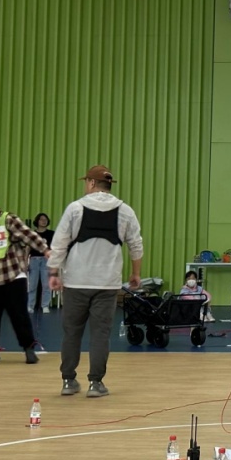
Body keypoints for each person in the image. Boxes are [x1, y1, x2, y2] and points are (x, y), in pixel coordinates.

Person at [48, 165, 144, 397]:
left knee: (72, 333)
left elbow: (59, 243)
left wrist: (53, 273)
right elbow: (136, 244)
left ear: (91, 183)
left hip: (75, 282)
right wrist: (136, 273)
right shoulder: (125, 211)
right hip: (107, 284)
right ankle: (96, 384)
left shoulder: (75, 208)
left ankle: (68, 381)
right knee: (101, 334)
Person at [0, 206, 48, 363]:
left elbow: (29, 235)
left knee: (19, 315)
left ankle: (28, 348)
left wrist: (45, 250)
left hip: (13, 275)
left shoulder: (8, 220)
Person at [27, 212, 54, 313]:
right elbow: (28, 248)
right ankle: (30, 305)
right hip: (34, 259)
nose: (44, 221)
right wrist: (25, 261)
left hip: (46, 260)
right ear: (37, 221)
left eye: (45, 219)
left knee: (46, 284)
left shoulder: (51, 233)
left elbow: (54, 248)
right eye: (41, 219)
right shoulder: (32, 234)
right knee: (32, 284)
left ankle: (45, 305)